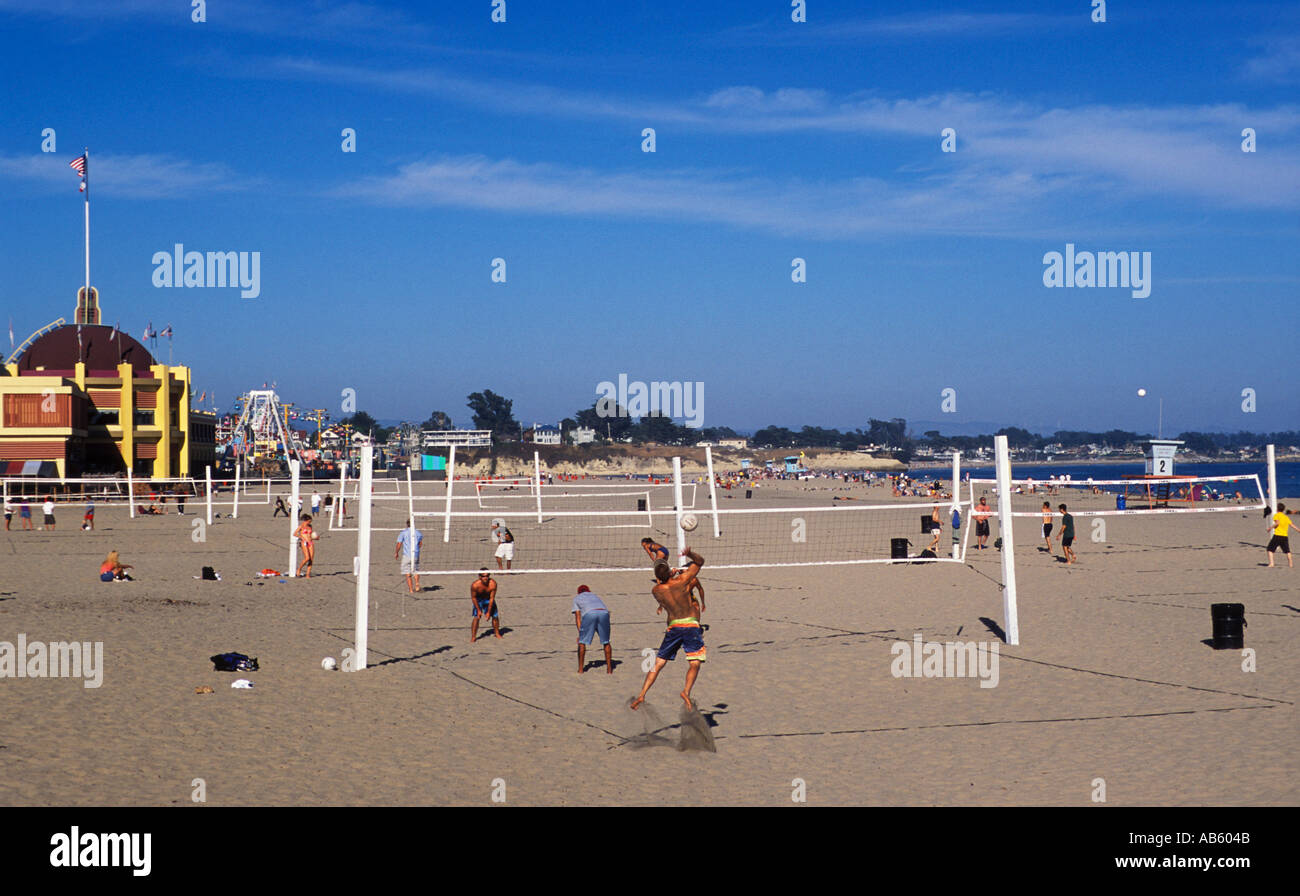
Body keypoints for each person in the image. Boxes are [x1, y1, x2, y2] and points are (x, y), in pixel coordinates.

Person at [631, 548, 707, 711]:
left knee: (658, 663)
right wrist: (690, 555)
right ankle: (686, 692)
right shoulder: (682, 581)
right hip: (690, 625)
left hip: (673, 627)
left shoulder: (656, 591)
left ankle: (642, 694)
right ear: (670, 571)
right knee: (694, 663)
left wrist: (668, 575)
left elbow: (665, 588)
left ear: (657, 577)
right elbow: (700, 562)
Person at [572, 585, 613, 674]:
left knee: (582, 642)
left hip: (590, 613)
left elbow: (578, 618)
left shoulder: (577, 598)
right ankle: (609, 669)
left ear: (578, 592)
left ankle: (580, 669)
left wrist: (581, 634)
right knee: (606, 641)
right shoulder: (594, 596)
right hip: (604, 612)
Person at [470, 568, 503, 642]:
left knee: (495, 616)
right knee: (476, 617)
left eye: (487, 576)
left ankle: (497, 633)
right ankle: (473, 637)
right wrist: (478, 610)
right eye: (483, 576)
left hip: (488, 599)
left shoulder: (493, 583)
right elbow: (473, 598)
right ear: (479, 577)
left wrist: (488, 612)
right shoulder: (475, 585)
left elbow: (492, 598)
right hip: (478, 600)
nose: (486, 578)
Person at [395, 523, 423, 593]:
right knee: (416, 570)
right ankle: (417, 582)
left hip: (407, 555)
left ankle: (411, 590)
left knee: (407, 572)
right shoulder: (418, 533)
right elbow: (420, 544)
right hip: (415, 554)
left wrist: (396, 552)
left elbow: (399, 544)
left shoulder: (403, 532)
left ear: (407, 525)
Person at [1266, 503, 1293, 569]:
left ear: (1277, 509)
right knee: (1287, 551)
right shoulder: (1286, 517)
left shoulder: (1276, 515)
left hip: (1277, 535)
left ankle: (1272, 564)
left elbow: (1277, 523)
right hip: (1284, 536)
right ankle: (1290, 564)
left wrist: (1270, 528)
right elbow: (1292, 525)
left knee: (1270, 549)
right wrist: (1298, 530)